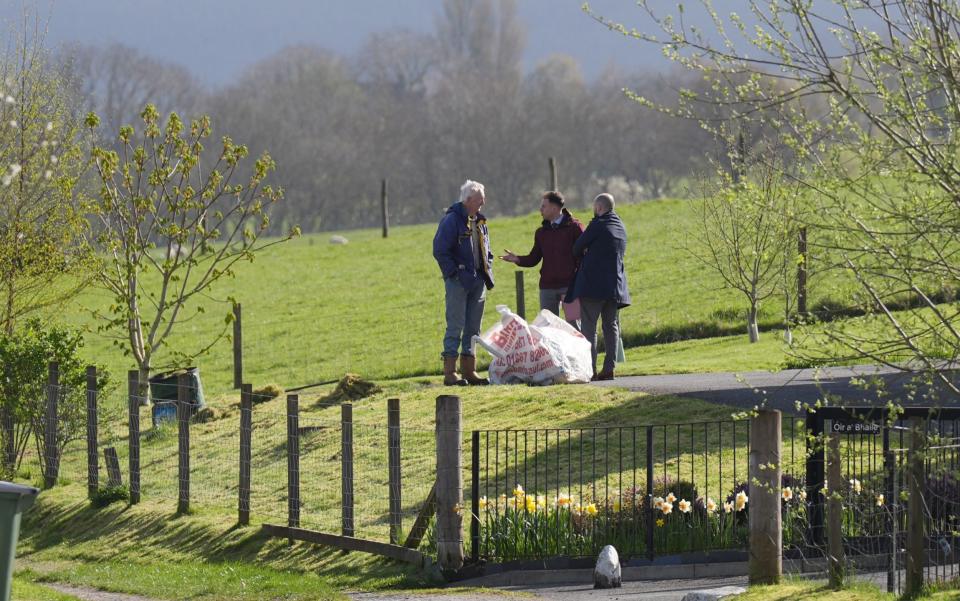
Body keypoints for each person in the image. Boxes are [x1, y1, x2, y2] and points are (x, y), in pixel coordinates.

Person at [432, 180, 495, 386]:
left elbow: (487, 250)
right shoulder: (451, 221)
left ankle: (470, 371)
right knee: (456, 325)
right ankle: (450, 373)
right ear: (468, 200)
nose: (482, 204)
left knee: (473, 328)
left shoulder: (480, 221)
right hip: (458, 282)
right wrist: (454, 274)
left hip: (479, 281)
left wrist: (488, 267)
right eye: (479, 200)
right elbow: (440, 250)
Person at [566, 193, 630, 381]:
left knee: (589, 328)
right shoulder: (621, 226)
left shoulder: (598, 224)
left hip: (593, 285)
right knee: (611, 326)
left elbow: (577, 248)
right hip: (615, 286)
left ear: (599, 208)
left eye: (595, 208)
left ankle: (590, 369)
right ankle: (609, 368)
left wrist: (587, 250)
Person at [499, 191, 584, 328]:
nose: (540, 209)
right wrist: (517, 259)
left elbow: (584, 255)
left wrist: (578, 278)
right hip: (547, 288)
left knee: (575, 327)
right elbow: (534, 258)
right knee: (547, 328)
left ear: (555, 208)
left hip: (570, 287)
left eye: (544, 206)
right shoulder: (541, 232)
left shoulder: (574, 228)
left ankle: (582, 350)